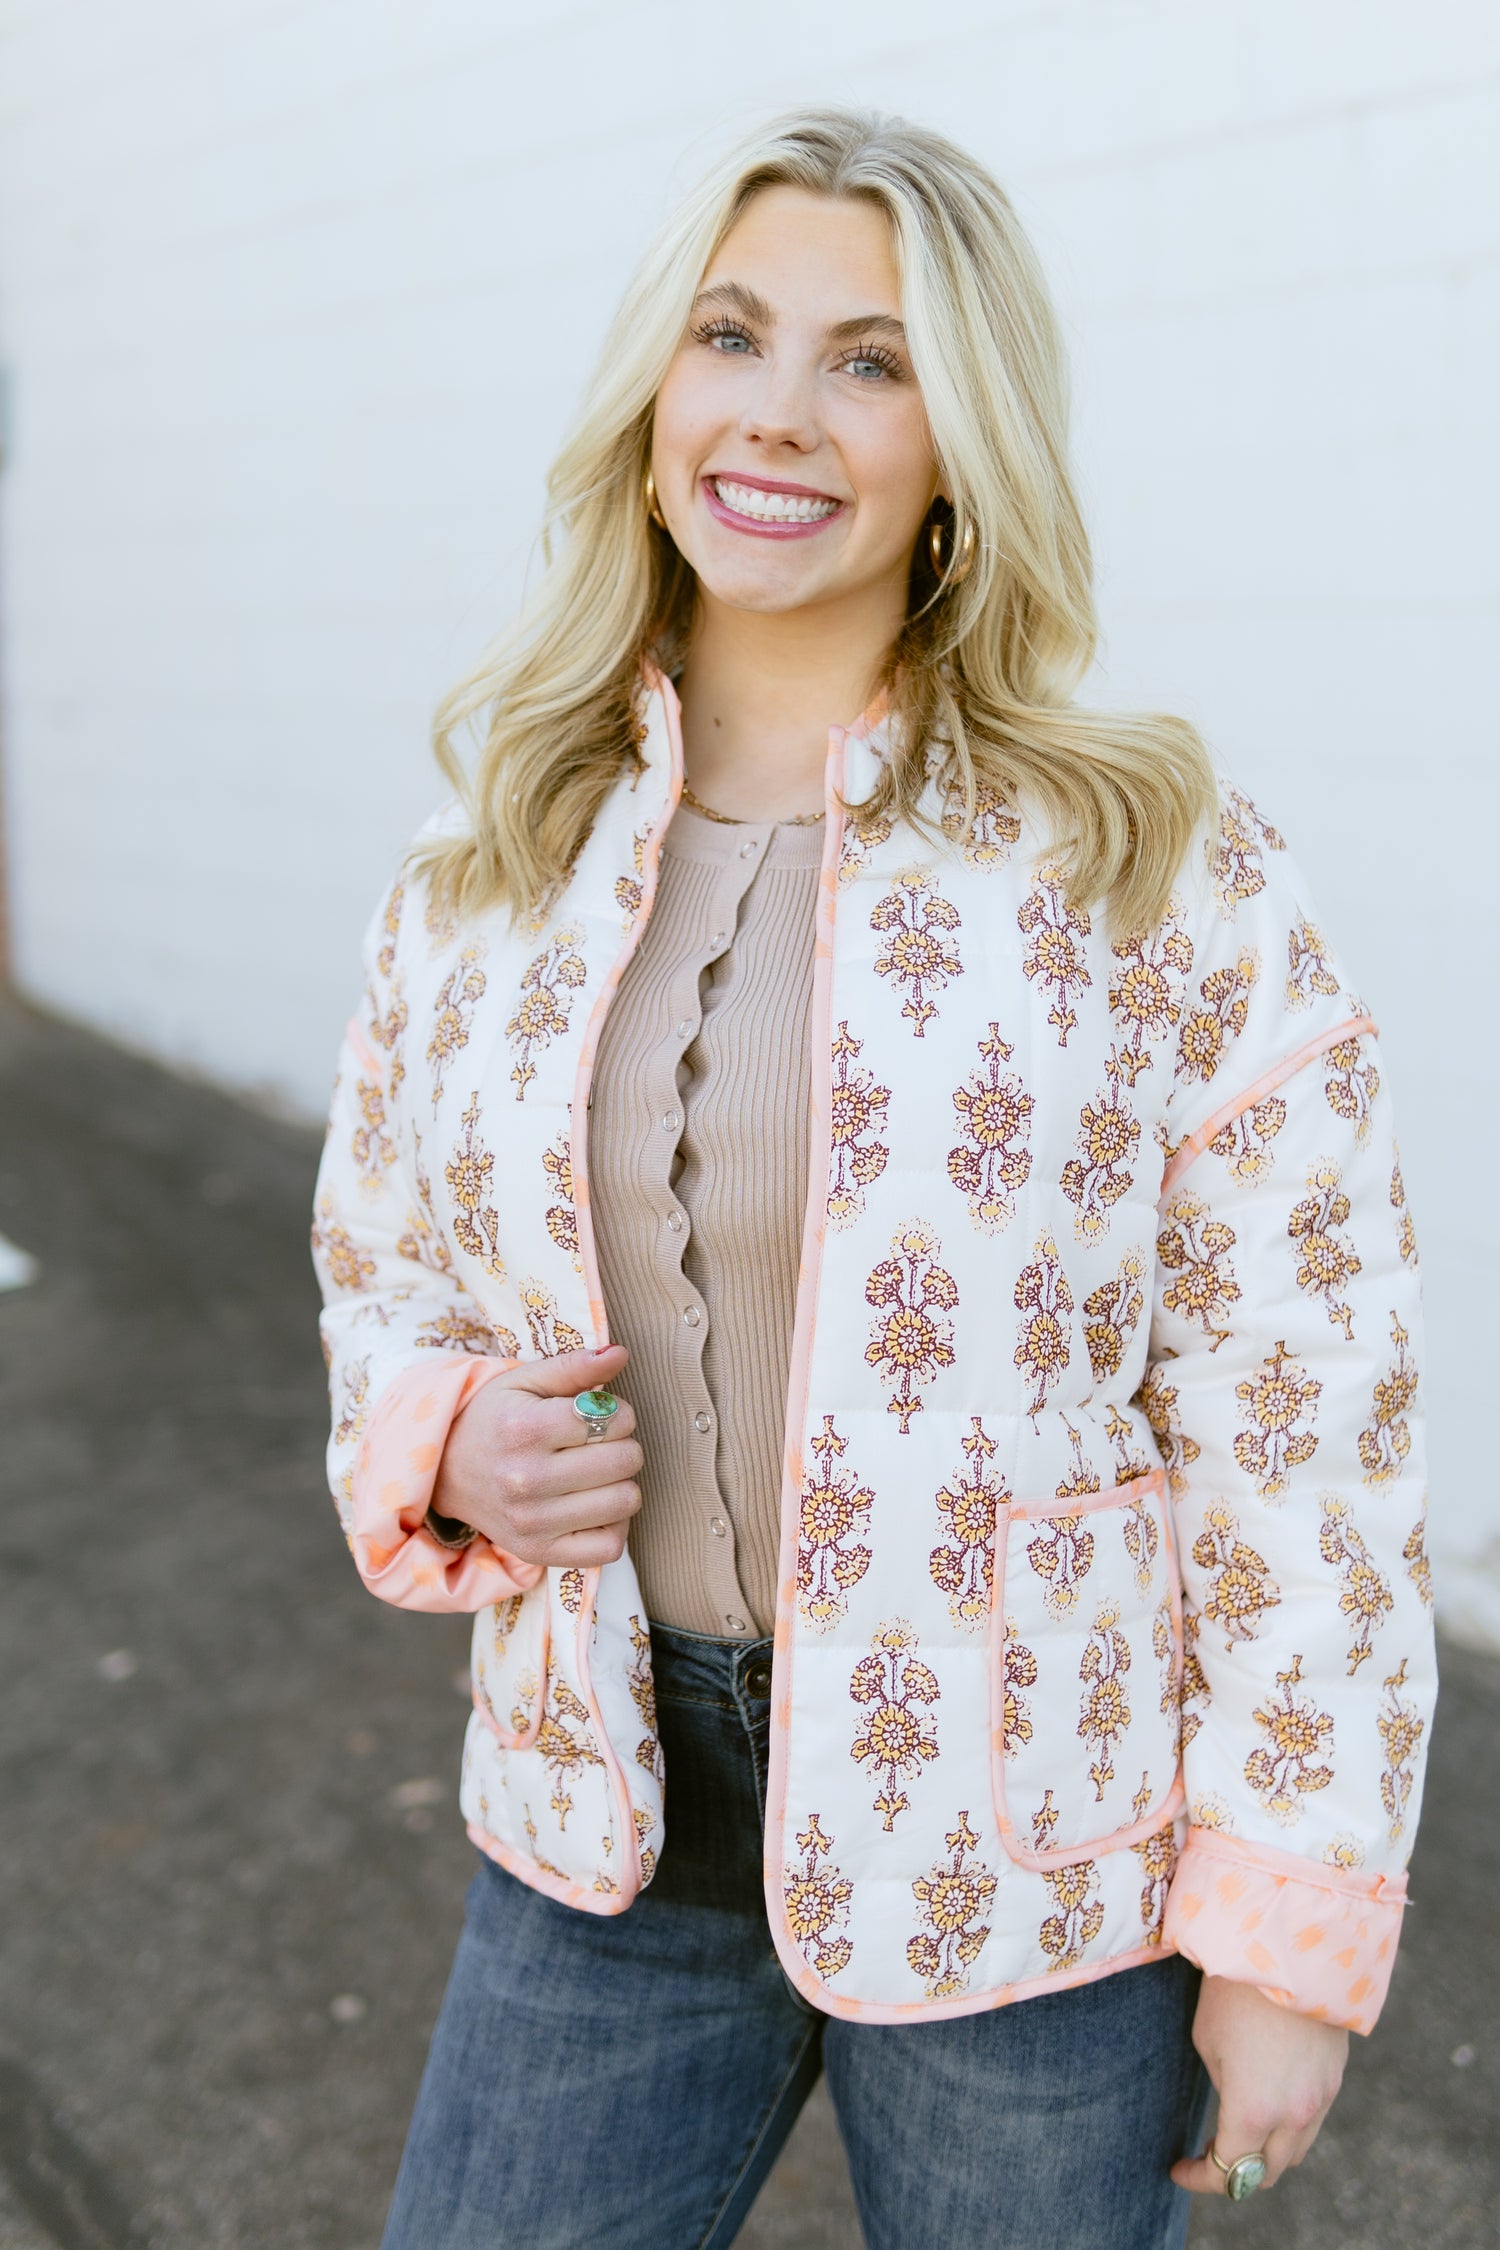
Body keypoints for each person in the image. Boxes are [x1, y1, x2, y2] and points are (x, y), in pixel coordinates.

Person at [311, 106, 1434, 2250]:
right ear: (656, 394)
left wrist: (1290, 1932)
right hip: (604, 1824)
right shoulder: (489, 873)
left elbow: (1308, 1409)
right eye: (733, 336)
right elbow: (386, 1262)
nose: (780, 413)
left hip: (1038, 1858)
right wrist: (440, 1426)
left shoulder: (1155, 863)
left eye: (872, 359)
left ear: (962, 440)